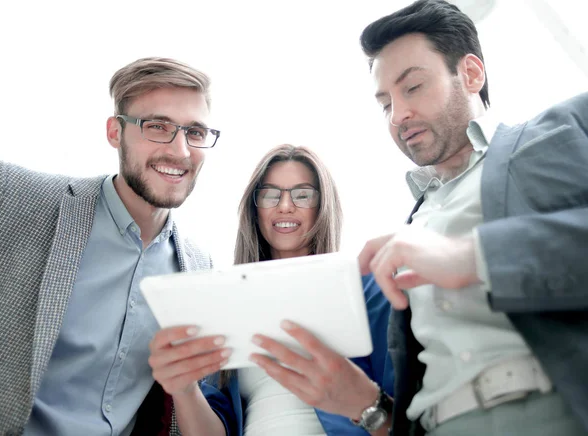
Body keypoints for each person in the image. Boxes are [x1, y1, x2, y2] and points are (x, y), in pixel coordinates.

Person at [356, 1, 588, 435]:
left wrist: (474, 256)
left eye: (413, 87)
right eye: (385, 103)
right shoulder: (411, 225)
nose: (398, 115)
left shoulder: (566, 128)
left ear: (471, 74)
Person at [0, 57, 220, 435]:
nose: (180, 151)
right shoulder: (10, 195)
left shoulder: (200, 270)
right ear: (115, 132)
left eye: (194, 132)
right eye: (157, 126)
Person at [148, 144, 394, 435]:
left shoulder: (366, 291)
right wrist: (185, 389)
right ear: (255, 210)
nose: (285, 205)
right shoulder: (226, 306)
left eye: (302, 194)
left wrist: (366, 405)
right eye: (270, 195)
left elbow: (405, 420)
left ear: (323, 206)